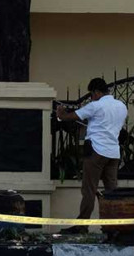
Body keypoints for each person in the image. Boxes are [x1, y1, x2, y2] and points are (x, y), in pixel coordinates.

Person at [55, 77, 128, 234]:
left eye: (91, 94)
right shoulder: (121, 106)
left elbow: (71, 117)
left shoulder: (96, 105)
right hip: (113, 153)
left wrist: (61, 114)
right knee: (111, 191)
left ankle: (82, 225)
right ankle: (114, 225)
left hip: (96, 151)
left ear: (96, 92)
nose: (91, 97)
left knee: (89, 189)